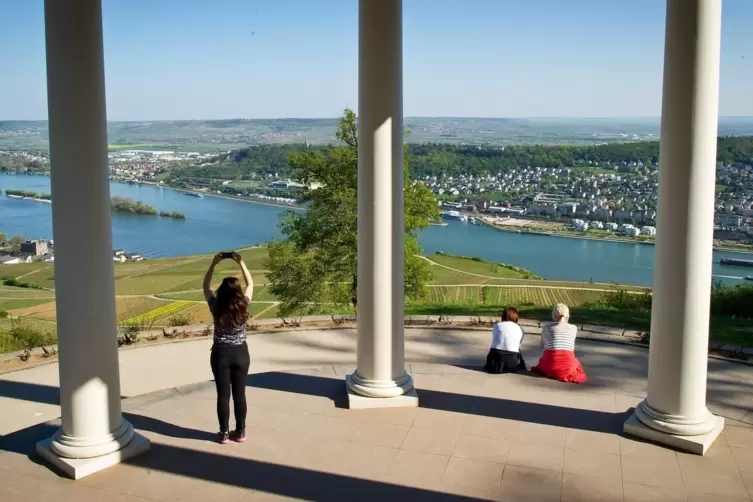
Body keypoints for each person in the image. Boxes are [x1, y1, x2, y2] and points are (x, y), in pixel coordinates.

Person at [203, 252, 253, 444]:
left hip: (220, 354)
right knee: (240, 394)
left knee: (223, 395)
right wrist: (241, 261)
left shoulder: (215, 306)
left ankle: (224, 433)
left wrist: (214, 263)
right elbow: (250, 284)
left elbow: (206, 286)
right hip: (241, 353)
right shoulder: (244, 305)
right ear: (238, 293)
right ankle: (240, 432)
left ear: (221, 292)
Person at [531, 303, 587, 383]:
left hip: (550, 364)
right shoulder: (573, 328)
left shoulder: (547, 327)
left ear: (554, 315)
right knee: (576, 364)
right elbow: (572, 348)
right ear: (568, 316)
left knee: (543, 361)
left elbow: (542, 346)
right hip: (568, 364)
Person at [484, 306, 527, 374]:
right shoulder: (521, 329)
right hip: (511, 362)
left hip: (495, 361)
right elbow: (518, 346)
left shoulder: (497, 326)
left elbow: (496, 341)